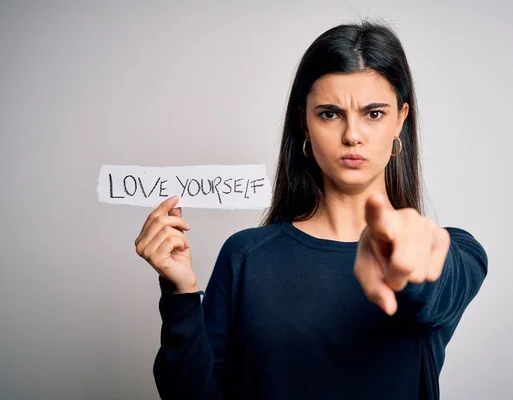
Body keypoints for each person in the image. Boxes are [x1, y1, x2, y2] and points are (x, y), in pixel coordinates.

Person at [134, 20, 488, 400]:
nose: (352, 134)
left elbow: (433, 282)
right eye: (330, 113)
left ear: (400, 119)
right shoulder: (246, 256)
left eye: (373, 113)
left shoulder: (454, 253)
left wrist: (401, 247)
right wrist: (180, 293)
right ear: (304, 121)